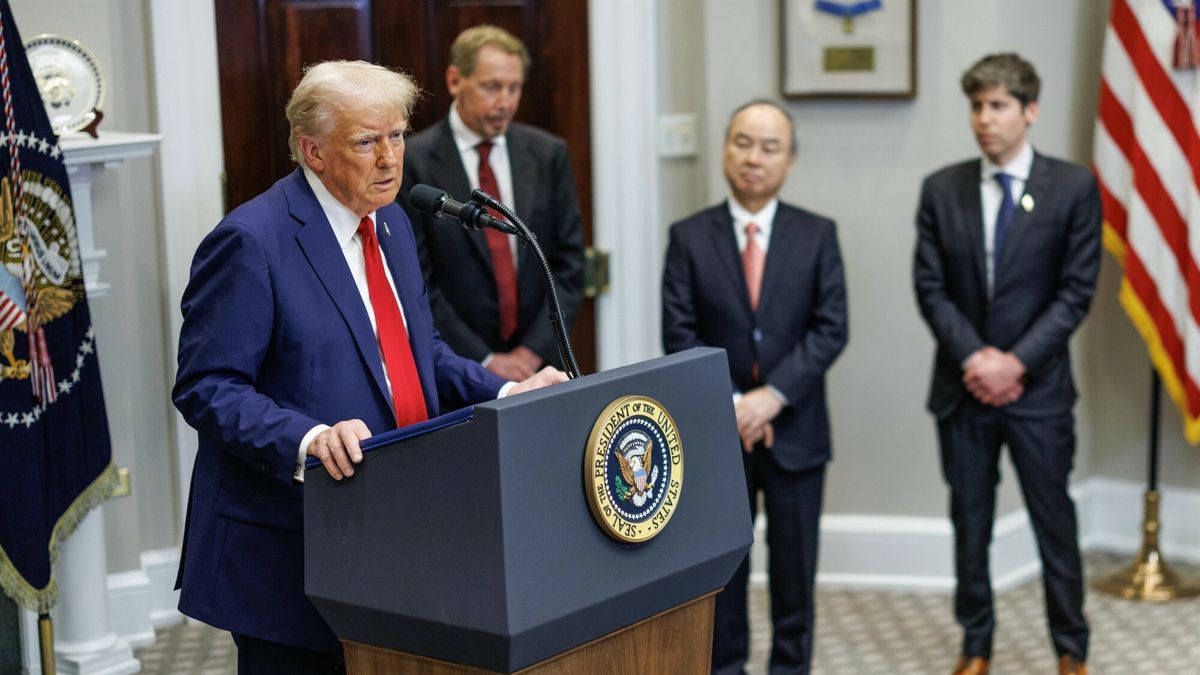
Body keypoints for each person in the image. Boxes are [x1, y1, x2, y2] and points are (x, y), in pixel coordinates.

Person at [172, 60, 565, 674]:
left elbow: (418, 352)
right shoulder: (251, 240)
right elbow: (207, 386)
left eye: (398, 136)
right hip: (293, 544)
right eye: (366, 141)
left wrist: (508, 393)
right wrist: (307, 438)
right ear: (313, 151)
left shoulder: (394, 223)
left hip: (394, 522)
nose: (389, 159)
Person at [913, 53, 1099, 675]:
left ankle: (1071, 649)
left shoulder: (1072, 188)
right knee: (970, 525)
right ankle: (976, 644)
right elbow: (930, 287)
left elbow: (1076, 292)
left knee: (1055, 525)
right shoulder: (942, 189)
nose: (984, 120)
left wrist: (1014, 363)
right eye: (976, 106)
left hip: (1039, 391)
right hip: (962, 391)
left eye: (997, 106)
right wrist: (975, 358)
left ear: (1030, 111)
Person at [662, 100, 848, 675]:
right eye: (743, 142)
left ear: (789, 161)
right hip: (720, 436)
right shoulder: (690, 237)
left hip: (797, 433)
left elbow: (831, 327)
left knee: (796, 579)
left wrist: (773, 398)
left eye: (770, 147)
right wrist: (738, 405)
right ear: (725, 150)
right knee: (724, 579)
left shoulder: (818, 234)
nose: (754, 158)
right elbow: (679, 333)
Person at [400, 24, 584, 381]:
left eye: (514, 88)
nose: (505, 102)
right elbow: (417, 280)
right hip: (457, 368)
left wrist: (532, 352)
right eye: (491, 87)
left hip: (542, 364)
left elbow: (569, 265)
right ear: (455, 81)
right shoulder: (414, 162)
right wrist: (483, 359)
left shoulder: (548, 154)